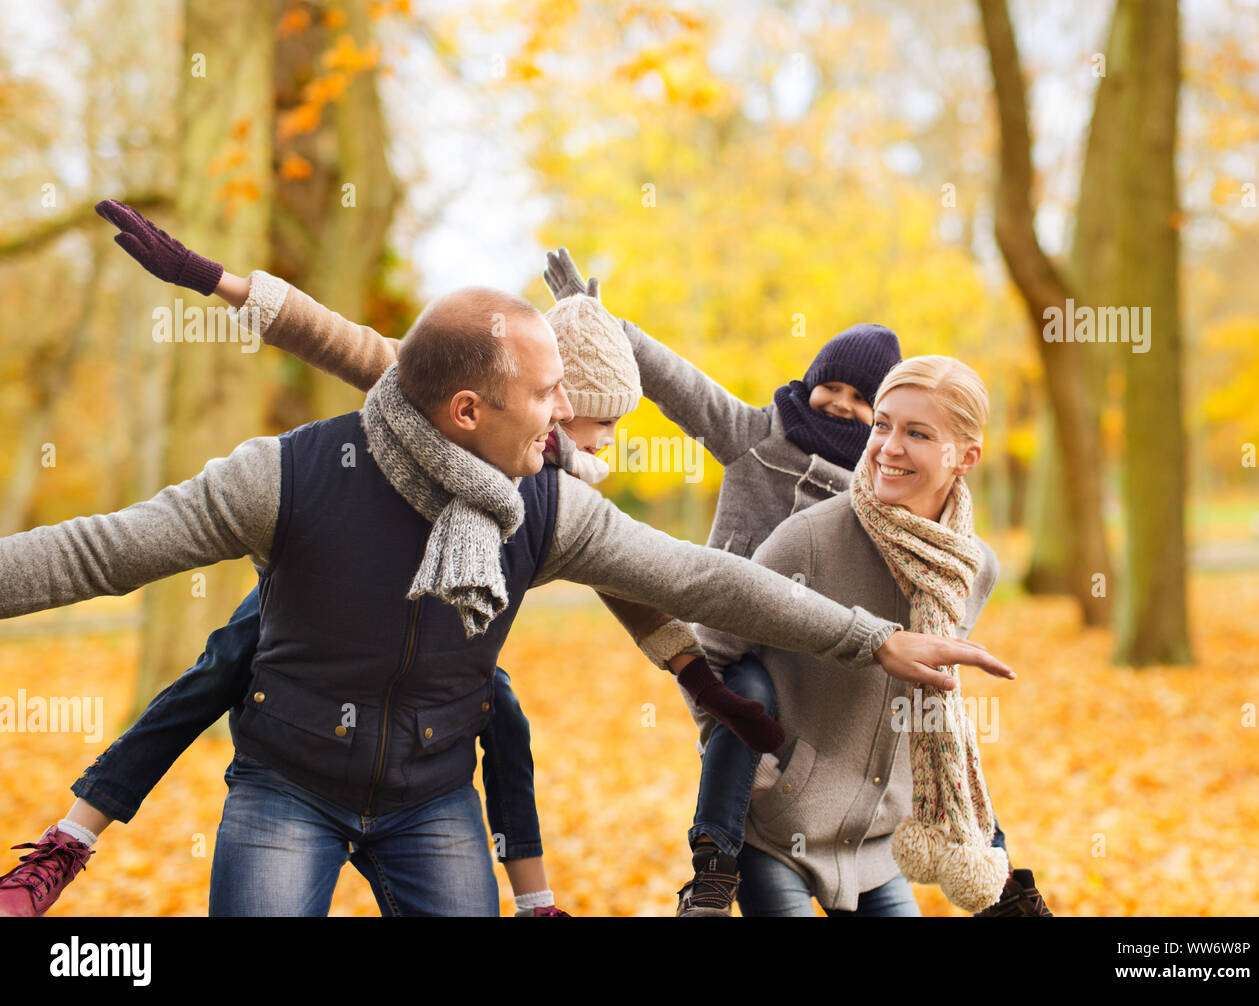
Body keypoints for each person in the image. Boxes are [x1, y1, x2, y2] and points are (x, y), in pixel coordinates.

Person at [0, 217, 1012, 917]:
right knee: (233, 647)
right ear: (468, 411)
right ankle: (76, 831)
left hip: (432, 781)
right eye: (548, 398)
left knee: (500, 713)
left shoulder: (549, 500)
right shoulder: (299, 469)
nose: (569, 424)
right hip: (291, 763)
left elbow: (698, 582)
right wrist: (222, 280)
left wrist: (871, 639)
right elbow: (98, 549)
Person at [541, 251, 1051, 917]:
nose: (840, 408)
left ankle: (997, 873)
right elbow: (680, 386)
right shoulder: (764, 443)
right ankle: (713, 861)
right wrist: (605, 329)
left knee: (940, 712)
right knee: (745, 693)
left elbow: (921, 698)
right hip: (737, 648)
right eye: (828, 390)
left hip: (841, 731)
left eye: (861, 403)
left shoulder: (923, 535)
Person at [695, 355, 1046, 915]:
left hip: (876, 845)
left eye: (918, 433)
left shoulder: (973, 567)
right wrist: (742, 753)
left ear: (966, 457)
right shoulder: (807, 539)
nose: (888, 447)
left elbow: (925, 703)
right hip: (777, 833)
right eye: (882, 424)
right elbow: (709, 648)